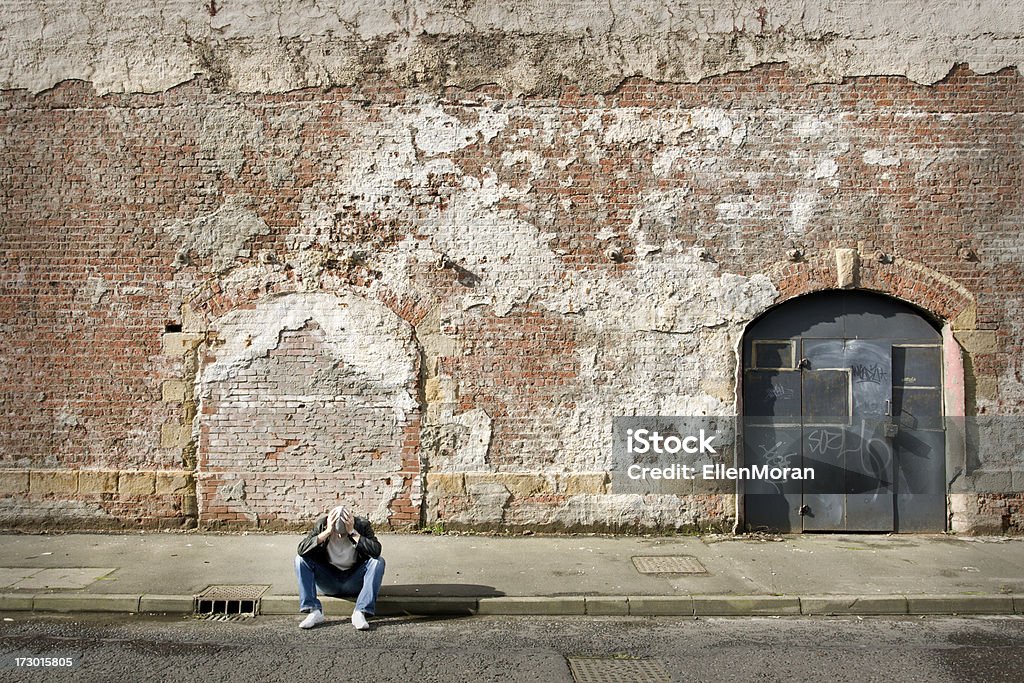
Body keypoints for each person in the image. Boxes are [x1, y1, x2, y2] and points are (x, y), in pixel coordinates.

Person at [294, 505, 385, 630]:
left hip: (354, 581)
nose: (340, 537)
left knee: (378, 562)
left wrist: (352, 533)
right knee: (300, 560)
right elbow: (301, 550)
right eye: (337, 533)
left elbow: (376, 551)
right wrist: (327, 533)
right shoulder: (322, 525)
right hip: (329, 580)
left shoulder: (362, 525)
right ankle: (314, 611)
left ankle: (360, 612)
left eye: (343, 533)